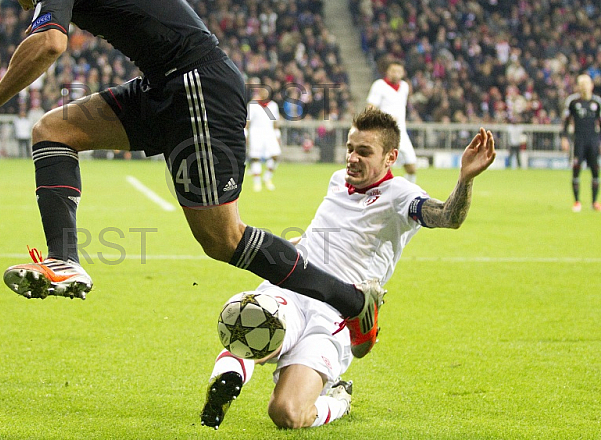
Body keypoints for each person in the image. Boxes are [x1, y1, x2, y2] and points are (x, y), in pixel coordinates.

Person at [0, 0, 383, 355]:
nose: (18, 2)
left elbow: (48, 43)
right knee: (53, 130)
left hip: (197, 86)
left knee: (222, 239)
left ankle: (351, 301)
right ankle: (63, 261)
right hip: (167, 84)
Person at [200, 107, 496, 430]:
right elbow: (330, 230)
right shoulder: (337, 180)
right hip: (293, 289)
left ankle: (338, 399)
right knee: (253, 319)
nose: (352, 158)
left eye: (364, 152)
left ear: (390, 157)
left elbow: (448, 217)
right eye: (350, 149)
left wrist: (464, 179)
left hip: (335, 315)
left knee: (287, 413)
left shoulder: (400, 196)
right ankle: (224, 385)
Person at [367, 58, 417, 183]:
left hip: (401, 132)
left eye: (398, 71)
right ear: (387, 72)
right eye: (393, 71)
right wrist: (385, 118)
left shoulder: (404, 87)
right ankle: (381, 193)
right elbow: (370, 108)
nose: (396, 73)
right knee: (386, 167)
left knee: (411, 167)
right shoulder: (379, 85)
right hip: (385, 132)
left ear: (403, 72)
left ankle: (408, 194)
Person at [561, 74, 601, 212]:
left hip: (593, 140)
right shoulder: (572, 101)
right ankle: (577, 201)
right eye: (581, 84)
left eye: (586, 83)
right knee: (576, 169)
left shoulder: (597, 102)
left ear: (591, 85)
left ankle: (595, 202)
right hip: (579, 140)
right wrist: (564, 138)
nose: (584, 86)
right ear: (578, 86)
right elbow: (565, 122)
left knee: (595, 170)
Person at [246, 85, 281, 192]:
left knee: (276, 155)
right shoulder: (252, 105)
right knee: (255, 157)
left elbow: (275, 122)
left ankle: (267, 178)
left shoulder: (273, 105)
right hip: (256, 132)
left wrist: (277, 135)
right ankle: (257, 182)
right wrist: (246, 134)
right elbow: (248, 122)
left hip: (269, 132)